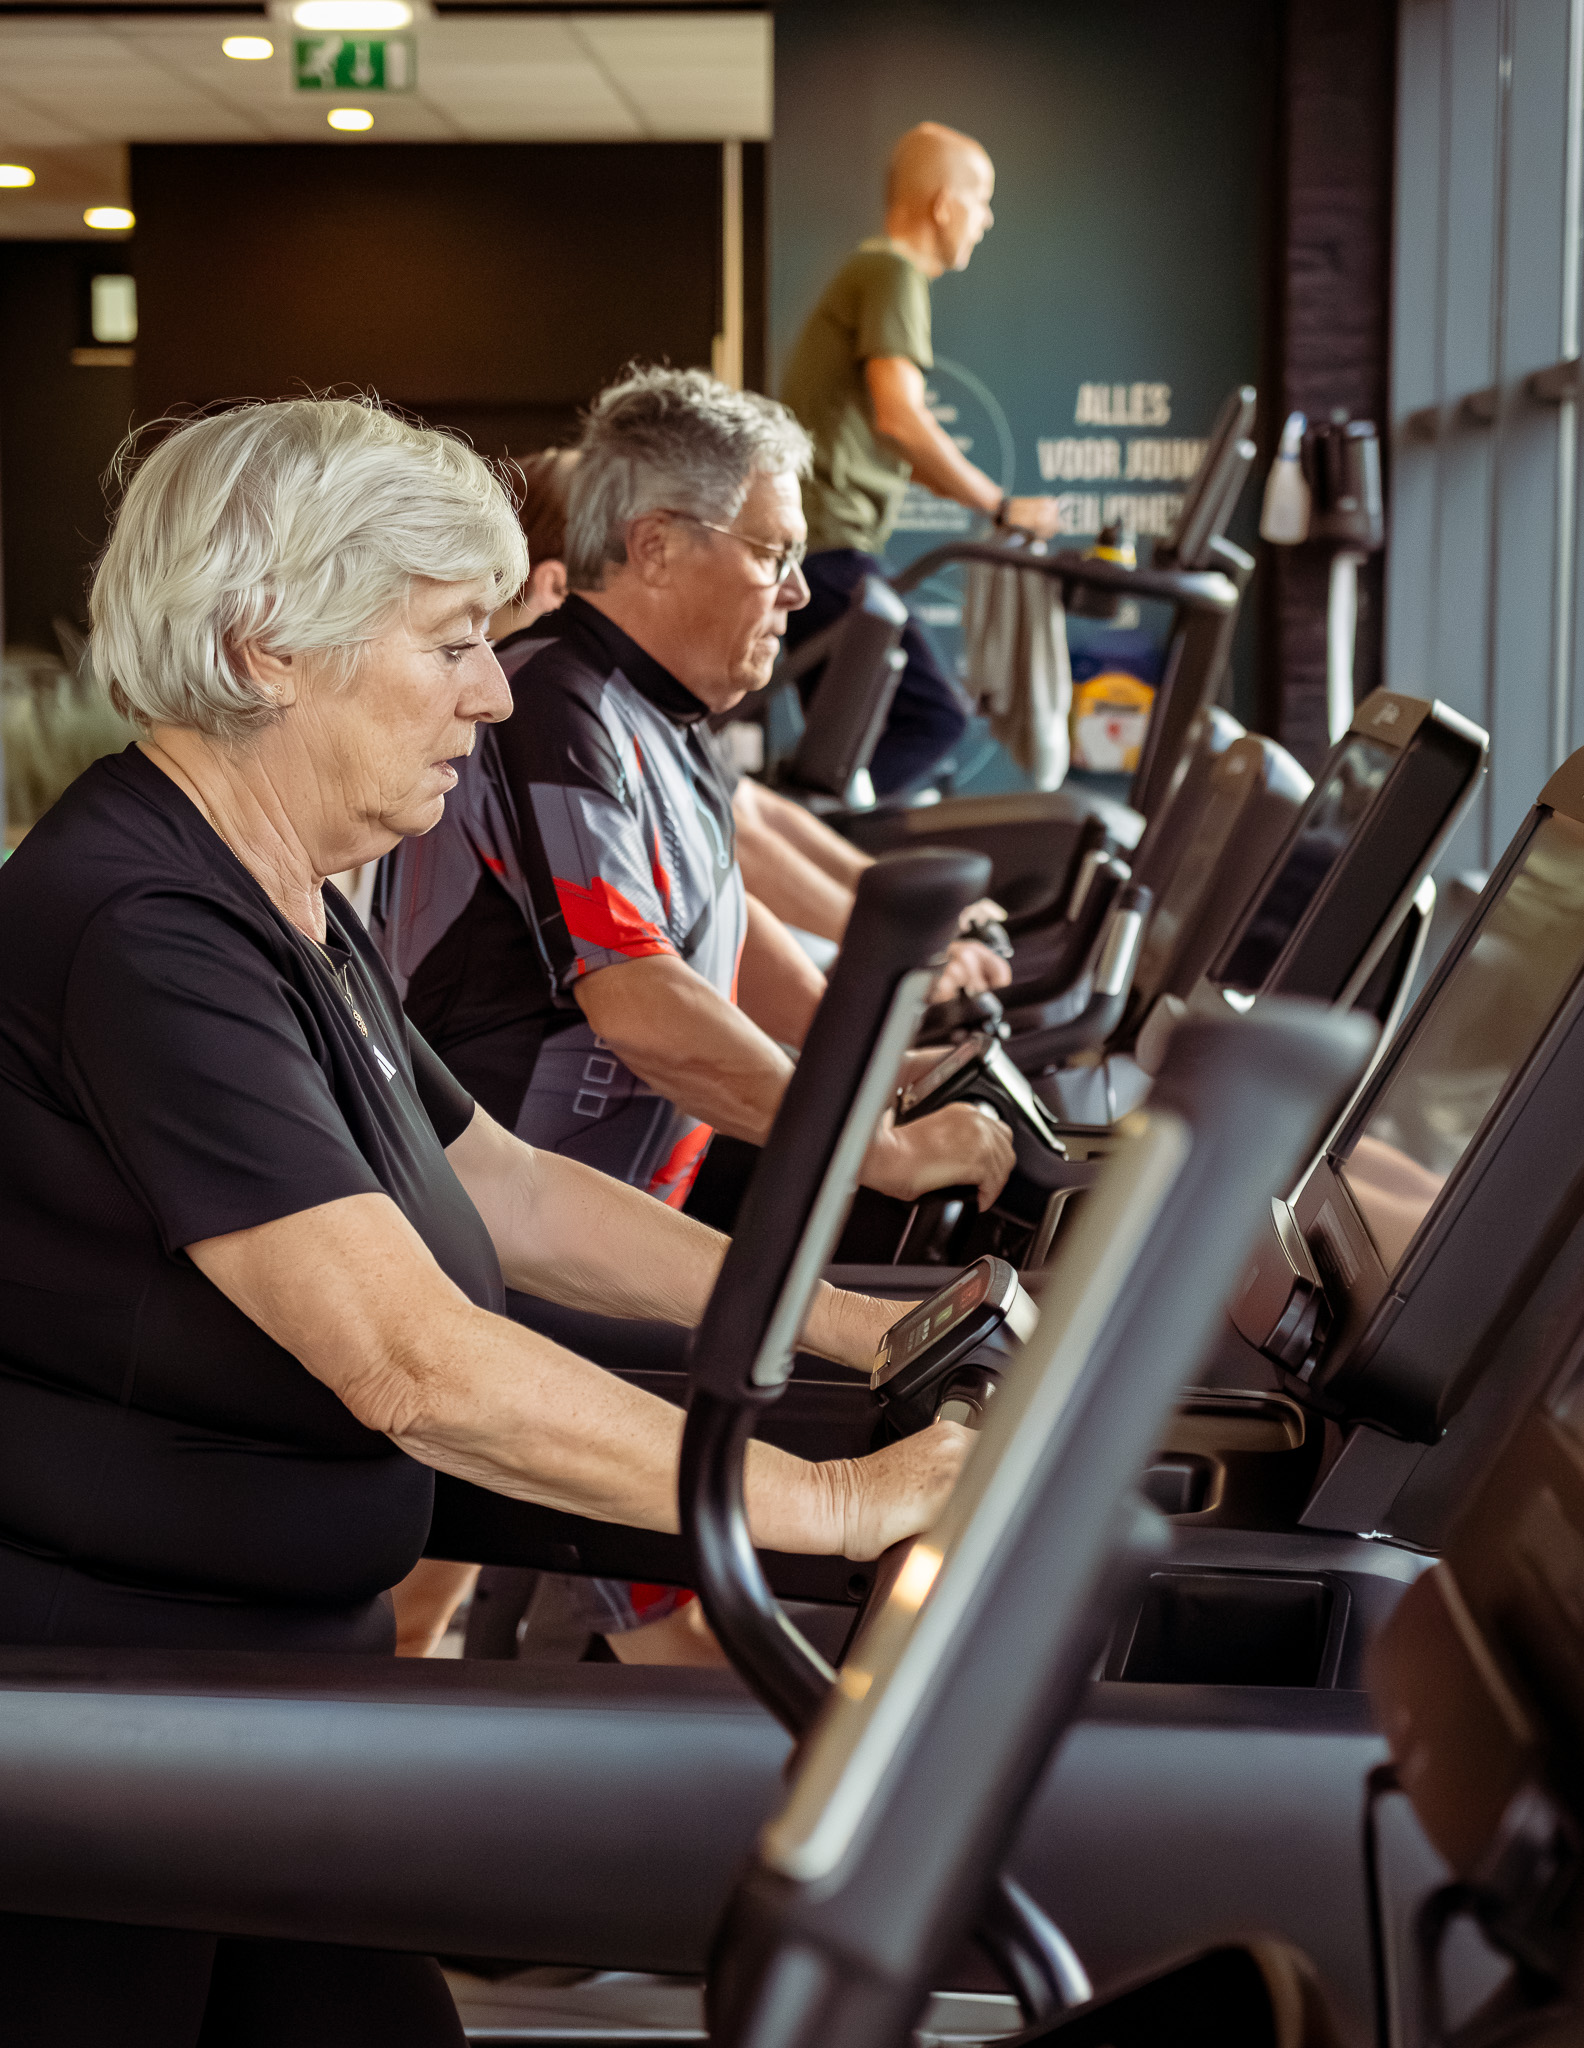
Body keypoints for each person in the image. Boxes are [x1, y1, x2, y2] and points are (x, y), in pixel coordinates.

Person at [0, 394, 972, 2045]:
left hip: (270, 1686)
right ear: (262, 647)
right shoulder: (144, 932)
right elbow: (411, 1361)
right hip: (123, 1722)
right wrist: (821, 1499)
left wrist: (857, 1319)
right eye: (452, 640)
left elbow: (505, 1190)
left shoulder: (279, 897)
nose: (496, 687)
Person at [376, 367, 1013, 1224]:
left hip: (634, 1209)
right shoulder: (553, 705)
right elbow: (639, 1000)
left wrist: (865, 1068)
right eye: (773, 551)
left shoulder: (660, 709)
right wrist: (878, 1147)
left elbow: (717, 930)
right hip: (517, 1251)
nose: (797, 590)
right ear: (656, 546)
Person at [781, 121, 1061, 797]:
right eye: (981, 199)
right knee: (934, 720)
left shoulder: (874, 271)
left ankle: (819, 838)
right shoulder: (892, 272)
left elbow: (897, 423)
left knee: (850, 746)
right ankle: (816, 841)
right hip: (832, 550)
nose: (987, 220)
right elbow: (900, 417)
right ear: (943, 204)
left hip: (822, 550)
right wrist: (1000, 505)